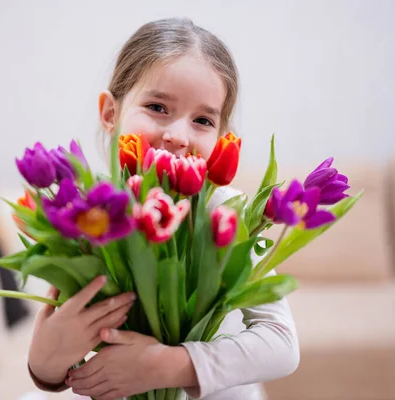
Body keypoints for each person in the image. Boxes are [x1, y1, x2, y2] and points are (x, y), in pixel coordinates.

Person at [28, 17, 300, 400]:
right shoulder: (90, 215)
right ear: (110, 113)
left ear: (222, 138)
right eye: (157, 107)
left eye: (203, 120)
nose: (178, 136)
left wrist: (165, 366)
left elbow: (283, 345)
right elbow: (59, 359)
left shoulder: (228, 215)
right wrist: (44, 362)